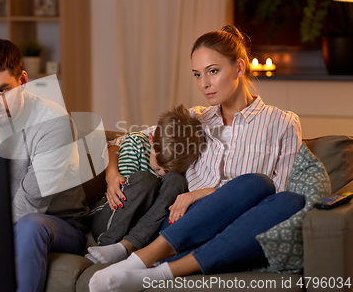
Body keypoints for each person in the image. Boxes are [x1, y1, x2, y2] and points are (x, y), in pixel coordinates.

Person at [89, 25, 305, 292]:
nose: (204, 83)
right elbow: (118, 142)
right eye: (197, 74)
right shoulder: (196, 119)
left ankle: (156, 271)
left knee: (279, 195)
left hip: (241, 227)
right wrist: (112, 175)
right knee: (256, 183)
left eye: (213, 71)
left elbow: (280, 196)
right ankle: (144, 258)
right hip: (184, 226)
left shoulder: (282, 123)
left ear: (238, 68)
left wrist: (201, 193)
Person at [0, 38, 88, 292]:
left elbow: (30, 205)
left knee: (29, 225)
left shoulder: (53, 122)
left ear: (22, 81)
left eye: (2, 91)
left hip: (56, 224)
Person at [86, 105, 205, 265]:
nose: (163, 171)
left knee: (177, 181)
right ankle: (106, 245)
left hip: (140, 230)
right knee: (146, 180)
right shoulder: (134, 144)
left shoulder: (176, 163)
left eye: (169, 168)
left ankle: (129, 248)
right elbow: (123, 199)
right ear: (151, 140)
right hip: (111, 214)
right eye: (161, 164)